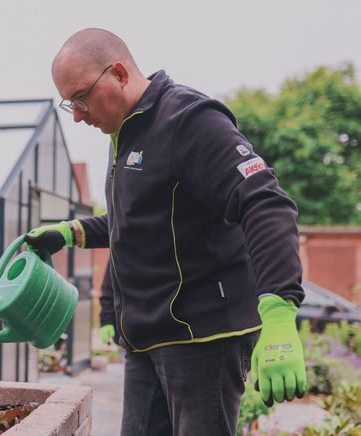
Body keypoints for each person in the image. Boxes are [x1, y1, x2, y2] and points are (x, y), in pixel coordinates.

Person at [25, 28, 306, 435]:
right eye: (70, 103)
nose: (79, 114)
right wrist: (68, 233)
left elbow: (265, 202)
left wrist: (279, 310)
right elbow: (134, 221)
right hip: (146, 339)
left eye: (82, 97)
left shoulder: (189, 121)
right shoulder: (123, 132)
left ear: (119, 73)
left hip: (202, 338)